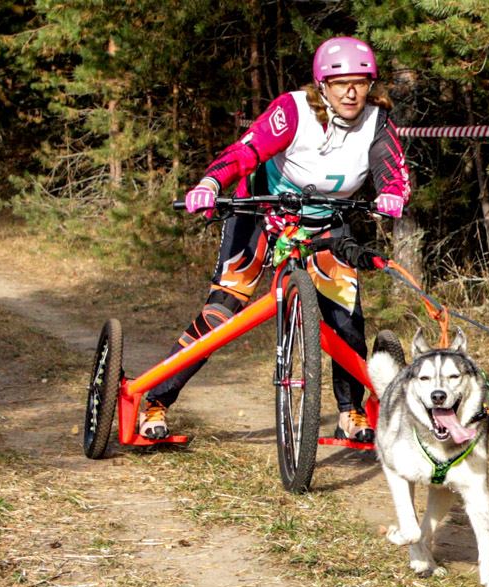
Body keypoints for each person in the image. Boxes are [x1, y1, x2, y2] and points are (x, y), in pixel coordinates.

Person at [142, 35, 410, 444]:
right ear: (322, 85)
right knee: (222, 311)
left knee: (345, 317)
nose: (351, 92)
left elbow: (392, 170)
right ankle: (156, 402)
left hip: (324, 222)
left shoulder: (376, 121)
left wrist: (391, 193)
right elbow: (246, 152)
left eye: (361, 81)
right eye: (341, 83)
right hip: (260, 214)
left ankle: (351, 412)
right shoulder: (293, 110)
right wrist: (210, 183)